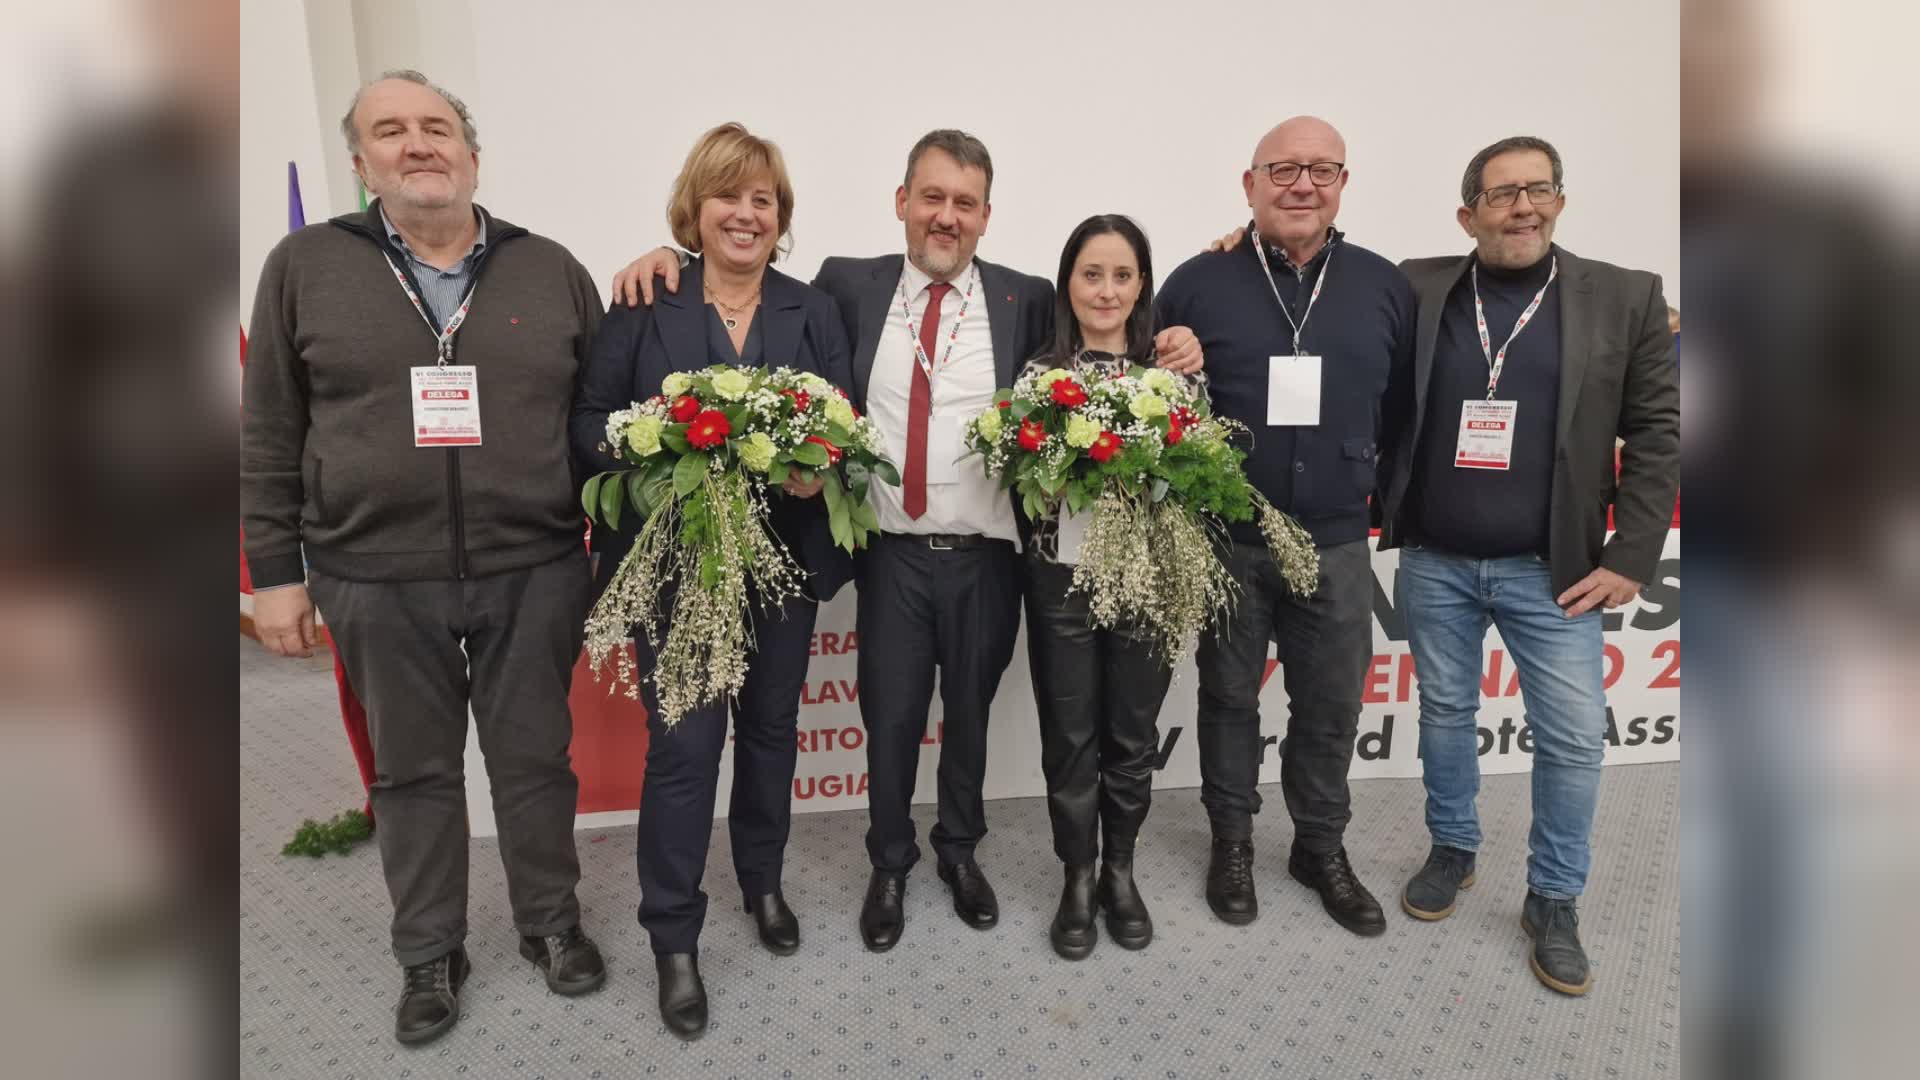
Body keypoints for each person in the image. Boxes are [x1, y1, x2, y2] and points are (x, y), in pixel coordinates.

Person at [609, 130, 1203, 953]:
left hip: (988, 558)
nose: (946, 217)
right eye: (932, 197)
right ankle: (888, 864)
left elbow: (1110, 318)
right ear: (901, 202)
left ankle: (958, 854)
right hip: (888, 553)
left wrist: (1182, 329)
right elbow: (741, 276)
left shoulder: (1025, 298)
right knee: (886, 719)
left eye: (965, 203)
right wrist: (667, 256)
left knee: (968, 720)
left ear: (987, 216)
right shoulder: (842, 291)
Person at [240, 71, 606, 1046]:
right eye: (390, 131)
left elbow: (599, 423)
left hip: (531, 564)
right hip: (373, 570)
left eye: (438, 128)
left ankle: (550, 923)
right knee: (411, 775)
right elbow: (270, 426)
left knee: (535, 761)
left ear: (472, 155)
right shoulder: (305, 267)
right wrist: (272, 571)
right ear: (360, 161)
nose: (419, 145)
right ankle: (429, 952)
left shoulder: (551, 269)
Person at [1377, 136, 1679, 996]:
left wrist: (1631, 555)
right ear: (1467, 212)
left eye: (1538, 189)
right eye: (1502, 193)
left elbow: (1659, 432)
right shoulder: (1418, 283)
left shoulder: (1626, 296)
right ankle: (1454, 846)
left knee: (1577, 738)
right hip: (1437, 556)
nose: (1522, 207)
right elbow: (1328, 294)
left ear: (1560, 200)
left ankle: (1553, 897)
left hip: (1557, 570)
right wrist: (1234, 245)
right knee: (1444, 711)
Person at [570, 123, 853, 1040]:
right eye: (729, 195)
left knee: (771, 733)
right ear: (695, 210)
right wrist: (654, 451)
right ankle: (674, 939)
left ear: (782, 219)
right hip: (676, 571)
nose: (747, 212)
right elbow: (588, 423)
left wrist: (818, 465)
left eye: (763, 199)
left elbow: (839, 424)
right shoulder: (644, 301)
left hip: (781, 567)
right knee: (686, 752)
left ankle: (763, 885)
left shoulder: (811, 310)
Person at [1157, 116, 1414, 938]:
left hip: (1338, 540)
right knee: (1229, 698)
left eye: (1321, 169)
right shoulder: (1199, 279)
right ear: (1250, 184)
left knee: (1331, 705)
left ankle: (1319, 847)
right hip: (1230, 536)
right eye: (1283, 170)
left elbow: (1405, 410)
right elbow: (1156, 401)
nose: (1302, 184)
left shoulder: (1384, 286)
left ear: (1344, 182)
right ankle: (1231, 841)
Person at [1017, 214, 1204, 959]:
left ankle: (1120, 871)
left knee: (1131, 738)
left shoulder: (1175, 374)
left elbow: (1197, 478)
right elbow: (1024, 488)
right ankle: (1077, 873)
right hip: (1060, 580)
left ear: (1142, 286)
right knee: (1069, 738)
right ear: (1069, 282)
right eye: (1092, 274)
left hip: (1148, 582)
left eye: (1122, 275)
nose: (1106, 290)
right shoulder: (1039, 376)